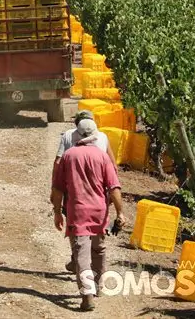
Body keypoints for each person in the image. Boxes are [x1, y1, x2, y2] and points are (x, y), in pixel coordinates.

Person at [51, 119, 126, 312]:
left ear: (77, 135)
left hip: (77, 212)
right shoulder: (102, 157)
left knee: (81, 254)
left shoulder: (68, 156)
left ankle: (87, 295)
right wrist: (120, 212)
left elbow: (58, 189)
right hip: (100, 211)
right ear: (95, 136)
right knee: (99, 248)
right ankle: (99, 285)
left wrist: (58, 212)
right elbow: (114, 187)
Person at [50, 110, 116, 273]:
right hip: (99, 195)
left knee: (76, 228)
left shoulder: (68, 136)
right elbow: (113, 166)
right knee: (97, 236)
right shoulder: (103, 137)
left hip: (74, 191)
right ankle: (96, 275)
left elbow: (58, 163)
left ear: (76, 125)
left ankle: (77, 260)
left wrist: (55, 190)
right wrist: (113, 192)